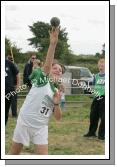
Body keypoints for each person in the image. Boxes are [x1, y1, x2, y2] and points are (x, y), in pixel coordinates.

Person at [10, 27, 65, 155]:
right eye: (55, 68)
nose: (58, 71)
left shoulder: (56, 91)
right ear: (50, 70)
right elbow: (46, 66)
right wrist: (53, 44)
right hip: (25, 122)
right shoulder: (43, 79)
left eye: (60, 71)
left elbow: (58, 118)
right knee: (14, 154)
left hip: (41, 127)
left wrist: (56, 104)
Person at [84, 58, 105, 140]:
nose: (101, 66)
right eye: (99, 65)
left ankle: (101, 135)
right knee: (93, 116)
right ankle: (91, 132)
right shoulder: (95, 76)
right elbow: (93, 87)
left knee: (104, 118)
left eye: (103, 65)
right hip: (96, 98)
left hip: (105, 98)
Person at [5, 57, 20, 125]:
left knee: (6, 110)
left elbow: (17, 73)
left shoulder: (9, 63)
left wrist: (17, 85)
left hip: (8, 90)